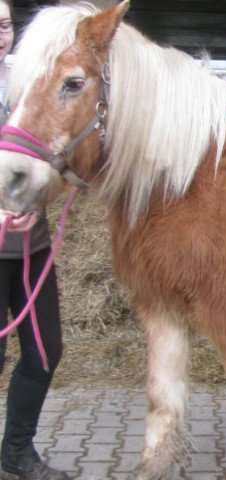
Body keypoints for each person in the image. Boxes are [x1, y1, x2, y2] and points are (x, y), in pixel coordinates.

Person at [0, 2, 69, 479]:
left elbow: (50, 154)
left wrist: (48, 190)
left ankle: (17, 450)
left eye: (3, 25)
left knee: (45, 348)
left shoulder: (30, 85)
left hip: (32, 246)